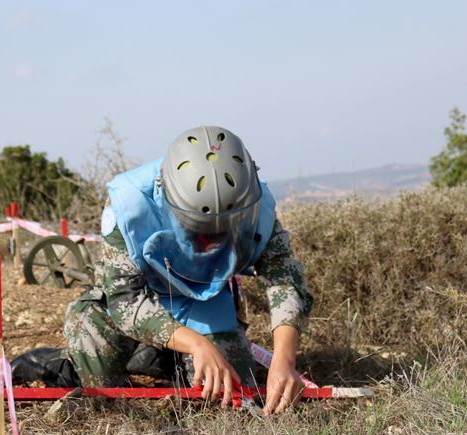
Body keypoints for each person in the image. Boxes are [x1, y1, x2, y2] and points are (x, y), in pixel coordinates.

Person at [61, 125, 313, 416]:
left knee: (233, 401)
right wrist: (195, 344)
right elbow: (124, 299)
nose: (213, 240)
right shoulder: (129, 204)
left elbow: (283, 278)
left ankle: (158, 356)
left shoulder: (252, 198)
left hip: (202, 301)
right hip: (137, 300)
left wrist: (285, 357)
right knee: (96, 367)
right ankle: (74, 363)